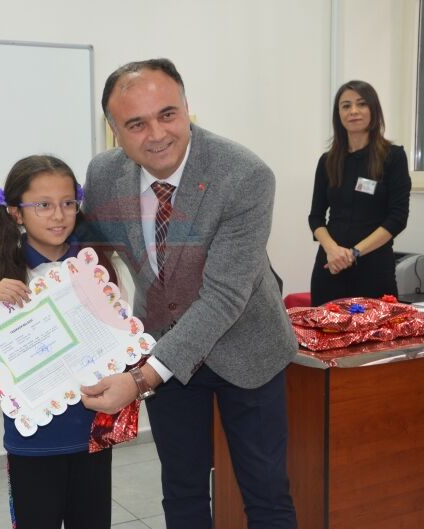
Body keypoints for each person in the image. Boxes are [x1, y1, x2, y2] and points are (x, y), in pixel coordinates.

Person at [79, 59, 299, 529]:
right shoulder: (103, 175)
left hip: (247, 346)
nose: (156, 134)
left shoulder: (243, 174)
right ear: (115, 131)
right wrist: (11, 275)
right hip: (163, 342)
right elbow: (83, 256)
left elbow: (224, 297)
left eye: (168, 114)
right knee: (182, 491)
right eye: (136, 124)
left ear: (186, 108)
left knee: (265, 494)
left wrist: (141, 379)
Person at [0, 155, 113, 529]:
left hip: (92, 427)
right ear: (16, 213)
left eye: (68, 203)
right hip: (32, 436)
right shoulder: (5, 268)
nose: (59, 215)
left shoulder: (92, 263)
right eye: (43, 205)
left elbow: (116, 332)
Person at [308, 80, 411, 306]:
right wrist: (333, 250)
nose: (353, 111)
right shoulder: (327, 161)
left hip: (374, 269)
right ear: (338, 114)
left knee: (378, 329)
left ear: (373, 110)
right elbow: (315, 217)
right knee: (325, 327)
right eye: (346, 106)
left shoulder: (393, 157)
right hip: (330, 267)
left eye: (361, 104)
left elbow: (397, 218)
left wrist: (354, 253)